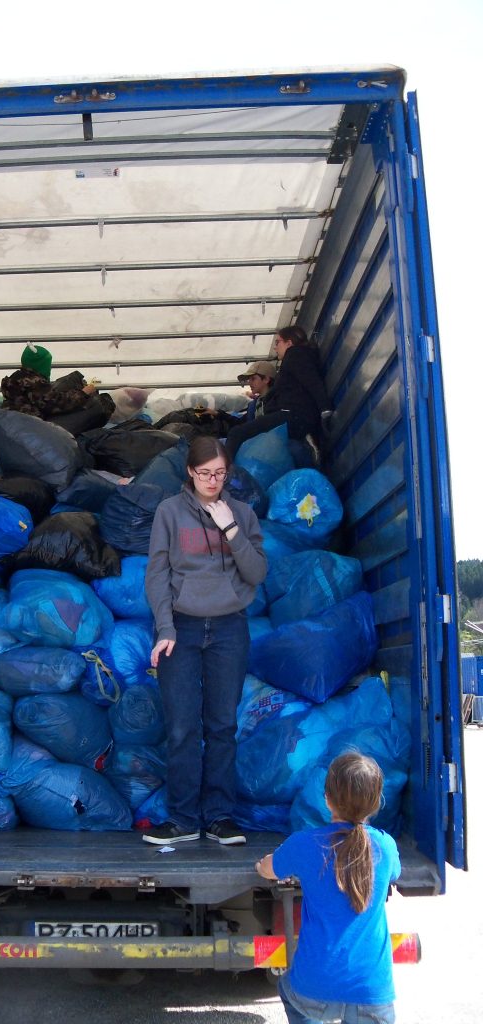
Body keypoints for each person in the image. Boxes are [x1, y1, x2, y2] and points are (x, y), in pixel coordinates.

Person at [143, 436, 267, 846]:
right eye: (204, 473)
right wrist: (165, 628)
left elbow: (257, 573)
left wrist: (229, 526)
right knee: (181, 726)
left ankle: (219, 817)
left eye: (220, 473)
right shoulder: (169, 512)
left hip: (230, 628)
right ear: (189, 472)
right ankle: (181, 819)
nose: (212, 481)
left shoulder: (243, 514)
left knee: (222, 725)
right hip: (182, 628)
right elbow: (157, 575)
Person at [256, 752, 401, 1024]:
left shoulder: (305, 843)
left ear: (327, 799)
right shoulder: (385, 846)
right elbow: (395, 872)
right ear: (376, 803)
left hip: (313, 992)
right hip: (372, 994)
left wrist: (261, 865)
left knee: (288, 990)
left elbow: (269, 868)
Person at [225, 326, 332, 460]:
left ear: (289, 343)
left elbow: (313, 382)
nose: (275, 348)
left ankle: (223, 469)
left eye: (278, 342)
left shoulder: (295, 355)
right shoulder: (301, 358)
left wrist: (325, 410)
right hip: (297, 416)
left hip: (293, 416)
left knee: (236, 433)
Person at [0, 343, 115, 432]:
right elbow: (58, 404)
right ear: (41, 365)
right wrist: (84, 392)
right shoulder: (34, 383)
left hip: (17, 424)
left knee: (72, 381)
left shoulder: (15, 378)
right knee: (98, 406)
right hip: (34, 429)